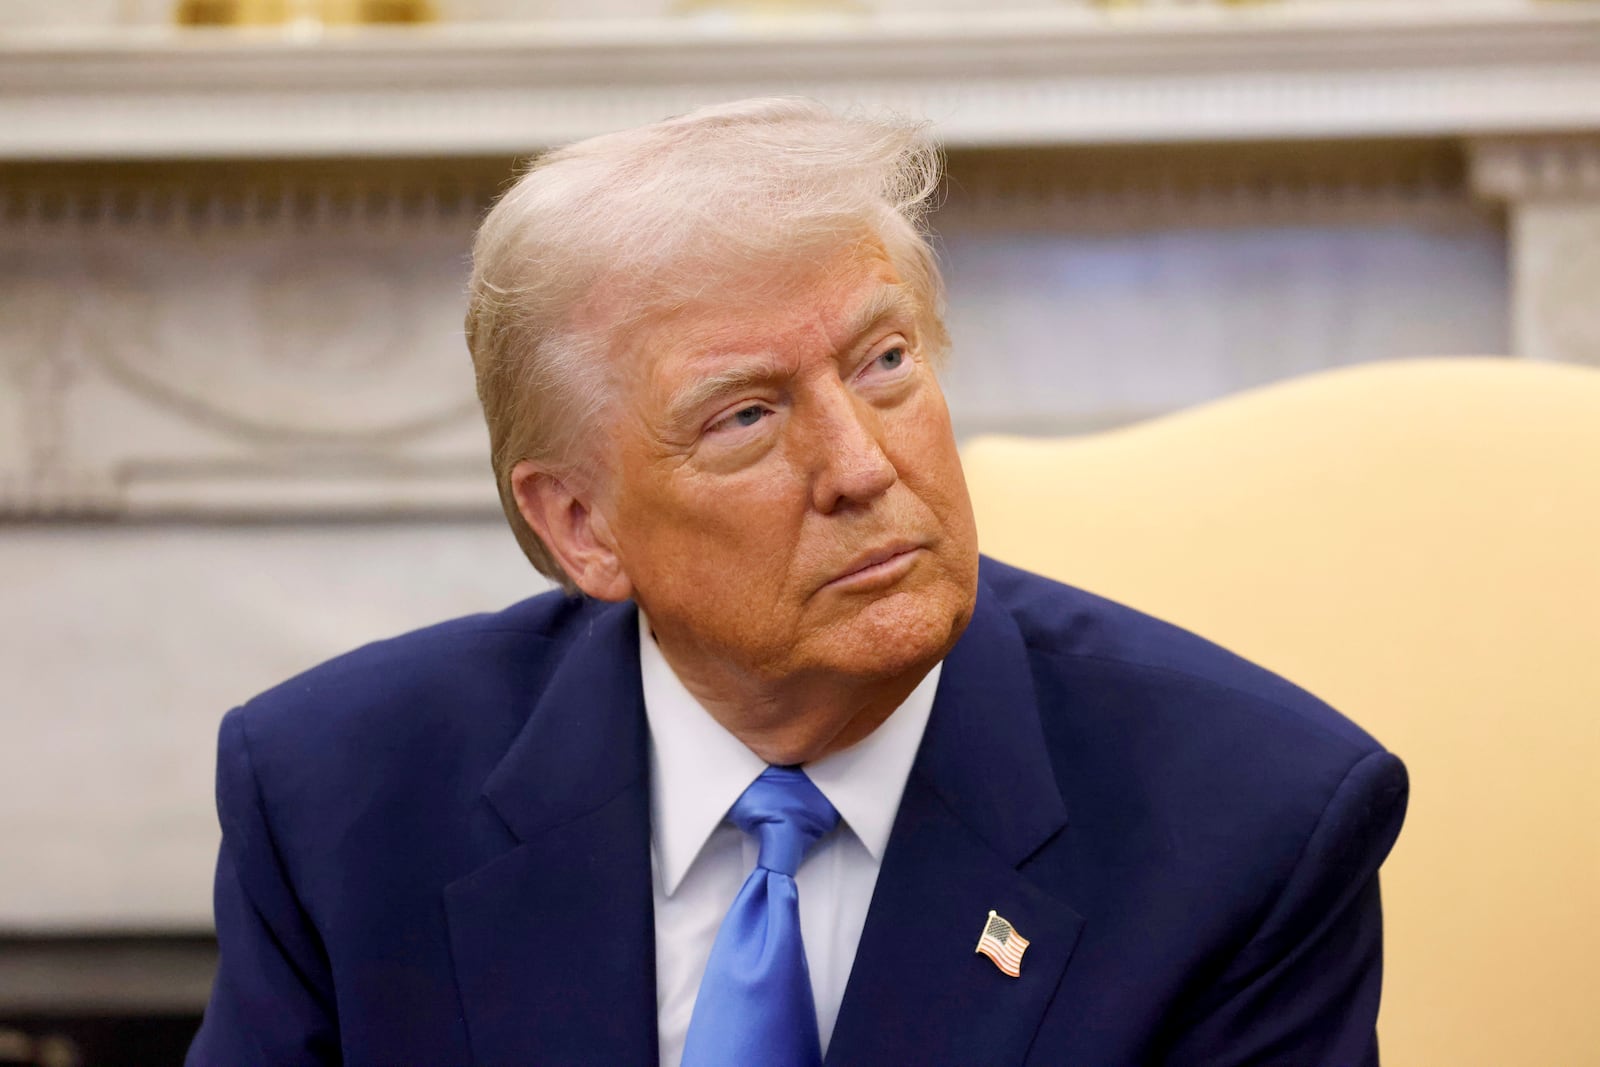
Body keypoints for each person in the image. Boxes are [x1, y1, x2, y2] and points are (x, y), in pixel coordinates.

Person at [188, 98, 1408, 1066]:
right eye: (745, 417)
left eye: (884, 361)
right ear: (579, 524)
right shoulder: (337, 799)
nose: (863, 465)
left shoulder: (1253, 822)